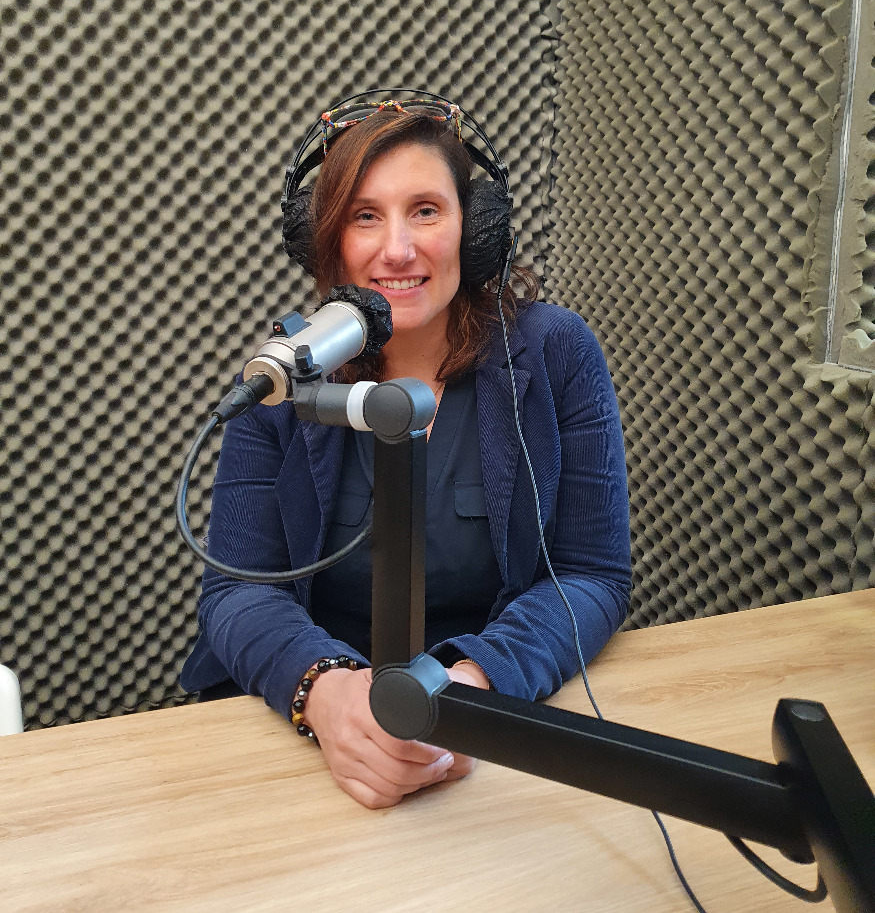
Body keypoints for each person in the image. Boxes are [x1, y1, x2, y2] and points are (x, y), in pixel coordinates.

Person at [180, 94, 631, 809]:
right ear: (326, 239)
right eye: (365, 216)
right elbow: (238, 590)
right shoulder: (286, 372)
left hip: (479, 721)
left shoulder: (554, 354)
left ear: (475, 230)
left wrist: (470, 687)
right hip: (309, 731)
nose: (396, 249)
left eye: (425, 210)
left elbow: (590, 573)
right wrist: (328, 694)